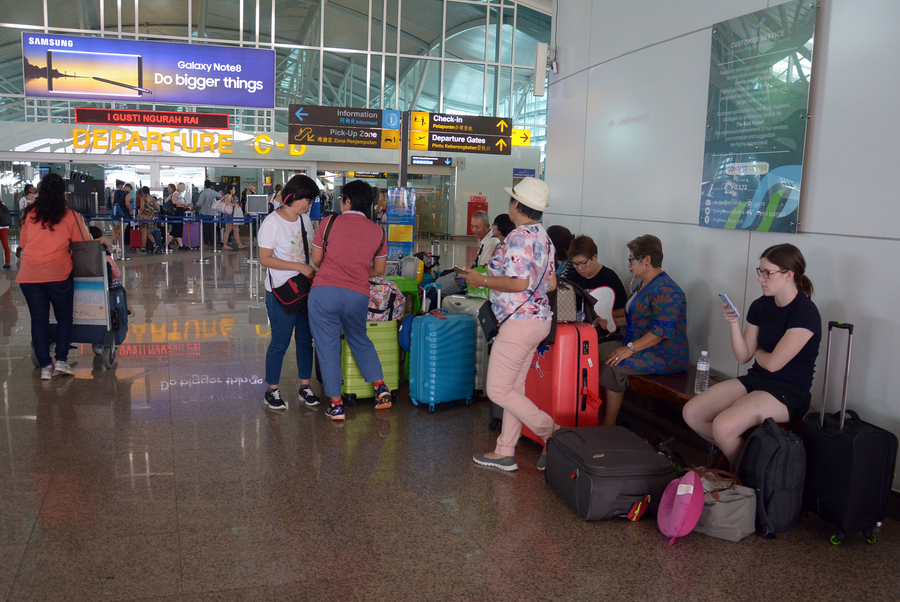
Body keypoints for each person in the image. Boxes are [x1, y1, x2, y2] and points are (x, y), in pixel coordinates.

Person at [683, 244, 820, 470]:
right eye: (760, 271)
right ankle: (746, 461)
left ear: (789, 275)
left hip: (789, 392)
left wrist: (758, 351)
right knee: (692, 413)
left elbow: (774, 364)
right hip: (757, 379)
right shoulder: (761, 305)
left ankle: (740, 474)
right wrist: (733, 324)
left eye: (767, 273)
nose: (760, 279)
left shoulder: (805, 312)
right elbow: (743, 356)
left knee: (723, 426)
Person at [461, 177, 557, 472]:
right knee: (514, 388)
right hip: (539, 320)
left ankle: (553, 433)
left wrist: (481, 280)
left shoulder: (518, 237)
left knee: (498, 390)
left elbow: (518, 283)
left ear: (516, 204)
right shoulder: (544, 237)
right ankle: (505, 450)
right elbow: (551, 283)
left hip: (518, 323)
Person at [308, 179, 390, 421]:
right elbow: (380, 269)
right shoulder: (378, 231)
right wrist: (357, 273)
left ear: (347, 200)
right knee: (360, 339)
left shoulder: (329, 222)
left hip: (324, 292)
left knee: (328, 347)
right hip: (358, 295)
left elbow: (316, 259)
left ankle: (336, 405)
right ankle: (381, 388)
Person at [597, 235, 688, 427]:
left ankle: (608, 423)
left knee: (613, 365)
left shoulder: (667, 290)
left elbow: (660, 332)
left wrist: (629, 349)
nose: (629, 264)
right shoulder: (645, 283)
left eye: (631, 259)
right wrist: (612, 322)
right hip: (641, 344)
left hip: (664, 354)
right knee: (594, 352)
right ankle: (594, 413)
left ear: (646, 260)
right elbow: (637, 318)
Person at [16, 172, 91, 380]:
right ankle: (61, 360)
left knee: (38, 320)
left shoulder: (29, 214)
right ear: (62, 193)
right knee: (64, 317)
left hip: (29, 274)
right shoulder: (69, 215)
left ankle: (45, 366)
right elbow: (82, 243)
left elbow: (23, 243)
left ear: (41, 191)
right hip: (58, 273)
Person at [257, 175, 321, 411]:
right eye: (307, 200)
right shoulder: (272, 223)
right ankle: (272, 390)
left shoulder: (304, 220)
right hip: (281, 292)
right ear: (293, 197)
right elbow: (265, 259)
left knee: (305, 340)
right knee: (280, 342)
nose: (309, 205)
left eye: (311, 201)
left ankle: (305, 386)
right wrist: (299, 267)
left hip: (305, 289)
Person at [426, 210, 499, 306]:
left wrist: (464, 277)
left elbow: (482, 271)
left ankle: (428, 308)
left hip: (476, 281)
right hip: (473, 276)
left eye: (477, 227)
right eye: (472, 226)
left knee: (438, 287)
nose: (474, 230)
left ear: (487, 226)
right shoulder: (484, 240)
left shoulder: (491, 243)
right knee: (441, 279)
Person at [566, 235, 628, 336]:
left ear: (595, 257)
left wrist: (602, 316)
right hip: (577, 332)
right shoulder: (572, 278)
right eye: (575, 264)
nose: (580, 268)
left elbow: (622, 311)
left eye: (583, 263)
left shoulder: (609, 278)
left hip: (604, 335)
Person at [221, 184, 247, 249]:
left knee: (236, 230)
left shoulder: (231, 196)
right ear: (230, 190)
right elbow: (227, 202)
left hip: (232, 215)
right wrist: (234, 205)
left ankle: (239, 244)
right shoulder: (228, 195)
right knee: (228, 230)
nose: (235, 190)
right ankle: (225, 245)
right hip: (229, 216)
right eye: (233, 189)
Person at [137, 186, 160, 253]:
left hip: (144, 217)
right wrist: (151, 209)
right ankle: (155, 244)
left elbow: (141, 209)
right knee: (148, 232)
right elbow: (157, 207)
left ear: (143, 192)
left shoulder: (143, 199)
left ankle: (143, 247)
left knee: (144, 233)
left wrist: (137, 217)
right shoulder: (153, 198)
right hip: (151, 217)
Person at [196, 180, 220, 246]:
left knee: (205, 228)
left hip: (205, 213)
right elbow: (220, 196)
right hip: (213, 213)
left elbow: (199, 203)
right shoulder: (213, 192)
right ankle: (213, 241)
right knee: (212, 228)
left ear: (204, 185)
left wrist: (193, 207)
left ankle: (206, 241)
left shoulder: (203, 193)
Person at [111, 181, 133, 251]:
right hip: (124, 214)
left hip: (116, 213)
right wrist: (131, 210)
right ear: (128, 188)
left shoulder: (116, 192)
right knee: (122, 231)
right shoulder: (127, 193)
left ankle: (115, 245)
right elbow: (126, 203)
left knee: (116, 230)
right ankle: (120, 247)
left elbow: (112, 202)